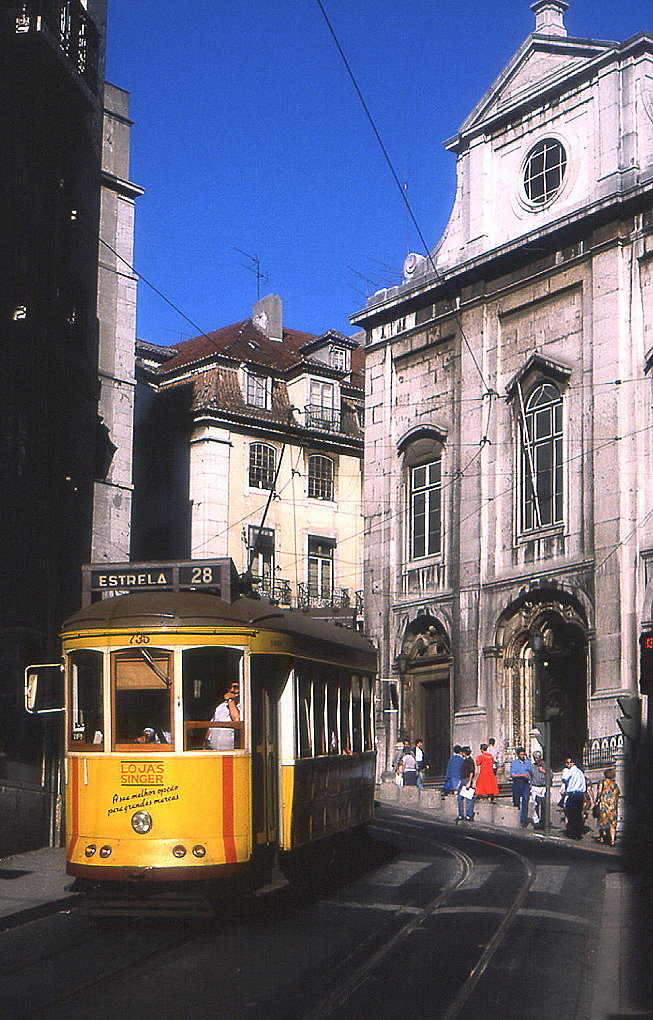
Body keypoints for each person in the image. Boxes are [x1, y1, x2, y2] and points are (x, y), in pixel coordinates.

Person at [206, 682, 241, 750]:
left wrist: (230, 700)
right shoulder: (221, 706)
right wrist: (206, 740)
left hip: (230, 751)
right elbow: (212, 725)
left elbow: (237, 720)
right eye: (229, 687)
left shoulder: (243, 706)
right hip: (214, 749)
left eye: (235, 687)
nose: (231, 690)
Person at [560, 754, 587, 838]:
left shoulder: (571, 771)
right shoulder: (580, 772)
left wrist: (565, 771)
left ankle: (572, 832)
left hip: (573, 795)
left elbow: (564, 778)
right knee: (578, 814)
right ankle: (578, 832)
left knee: (571, 814)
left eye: (568, 763)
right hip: (580, 795)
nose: (567, 764)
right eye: (566, 763)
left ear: (572, 763)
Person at [594, 767, 620, 845]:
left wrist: (596, 800)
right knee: (612, 824)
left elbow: (599, 793)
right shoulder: (615, 785)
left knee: (602, 822)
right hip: (612, 807)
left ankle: (601, 837)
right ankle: (612, 840)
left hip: (604, 805)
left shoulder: (602, 782)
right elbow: (618, 794)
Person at [509, 747, 533, 828]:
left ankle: (524, 820)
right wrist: (522, 775)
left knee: (525, 801)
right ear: (518, 755)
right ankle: (516, 818)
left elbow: (530, 773)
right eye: (521, 754)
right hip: (517, 783)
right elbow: (513, 775)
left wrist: (530, 781)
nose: (523, 756)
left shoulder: (528, 763)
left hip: (525, 784)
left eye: (524, 754)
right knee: (516, 802)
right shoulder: (514, 763)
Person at [457, 746, 476, 821]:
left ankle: (469, 814)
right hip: (463, 780)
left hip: (467, 780)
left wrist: (469, 781)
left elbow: (471, 772)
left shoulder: (470, 761)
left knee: (468, 798)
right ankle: (461, 815)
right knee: (460, 798)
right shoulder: (465, 760)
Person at [530, 749, 547, 828]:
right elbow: (530, 776)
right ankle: (536, 821)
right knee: (535, 805)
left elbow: (551, 775)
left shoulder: (545, 765)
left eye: (538, 758)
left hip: (543, 787)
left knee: (543, 805)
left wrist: (544, 771)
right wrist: (530, 784)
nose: (536, 759)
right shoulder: (532, 766)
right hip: (535, 786)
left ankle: (543, 822)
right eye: (535, 758)